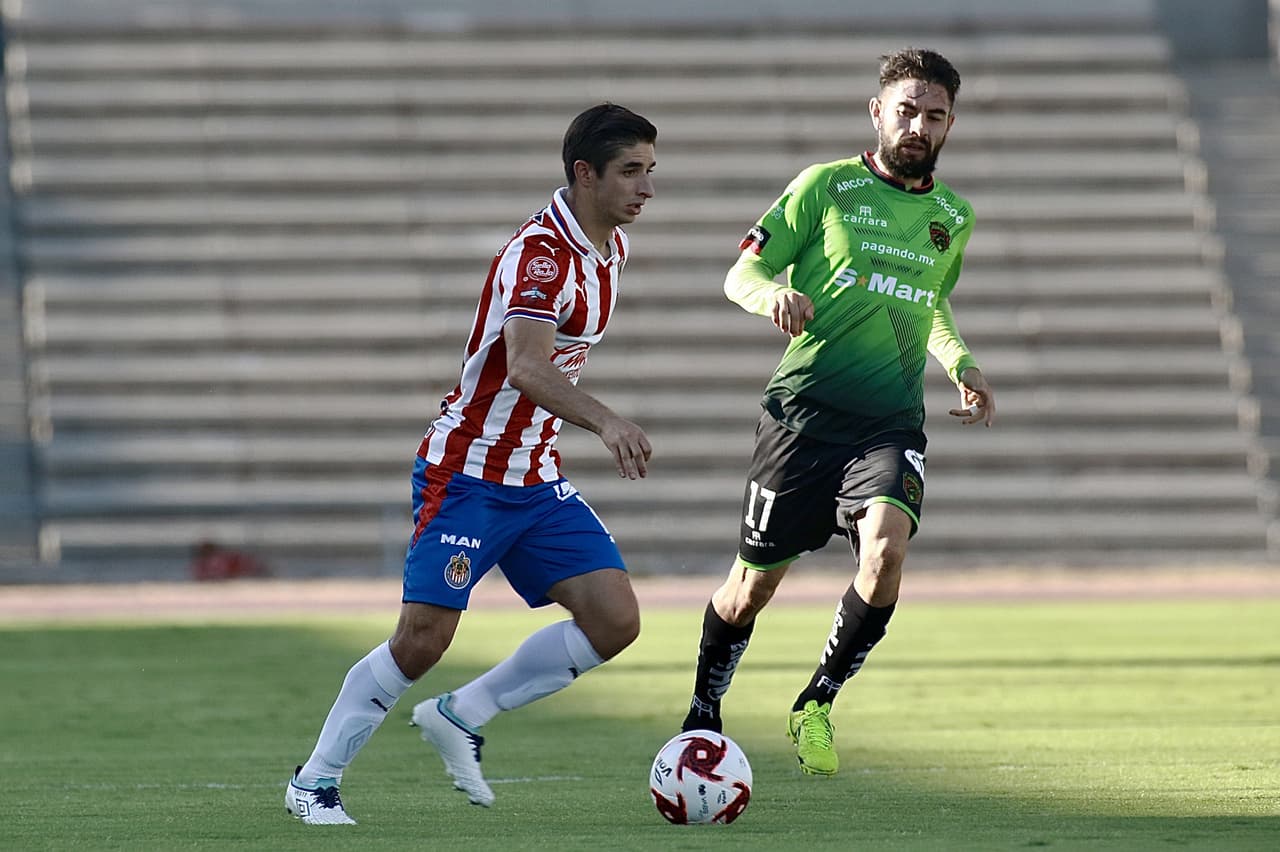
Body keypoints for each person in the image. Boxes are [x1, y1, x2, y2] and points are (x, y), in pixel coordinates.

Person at [285, 103, 658, 824]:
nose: (645, 189)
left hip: (535, 476)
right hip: (468, 473)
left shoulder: (610, 250)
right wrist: (607, 420)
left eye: (650, 173)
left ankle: (462, 714)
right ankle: (315, 781)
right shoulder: (542, 254)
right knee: (423, 638)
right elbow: (524, 367)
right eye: (630, 172)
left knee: (613, 620)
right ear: (585, 174)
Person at [679, 48, 995, 777]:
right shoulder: (826, 187)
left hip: (887, 422)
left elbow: (931, 302)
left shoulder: (954, 216)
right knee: (750, 588)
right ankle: (704, 710)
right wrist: (773, 297)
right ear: (877, 112)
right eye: (907, 109)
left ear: (950, 124)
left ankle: (816, 701)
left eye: (935, 114)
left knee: (886, 549)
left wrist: (960, 363)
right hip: (801, 417)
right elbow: (743, 272)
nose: (919, 124)